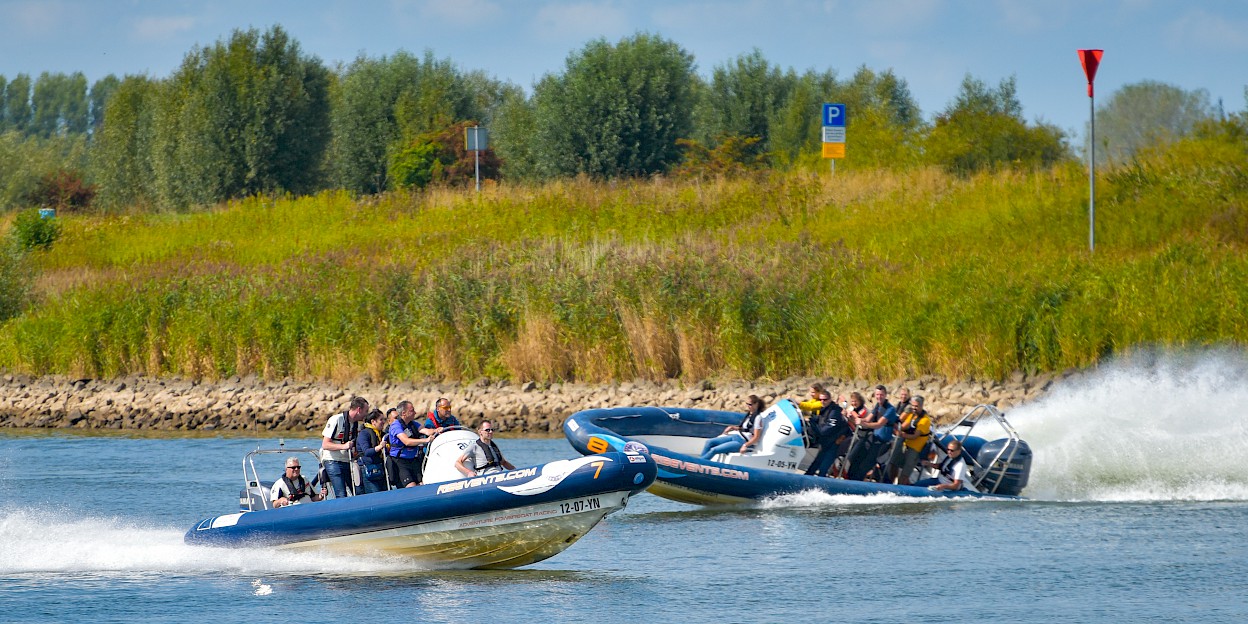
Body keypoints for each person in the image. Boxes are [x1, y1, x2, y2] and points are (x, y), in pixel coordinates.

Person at [844, 385, 898, 481]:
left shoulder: (890, 410)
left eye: (881, 395)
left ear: (885, 395)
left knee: (866, 464)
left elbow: (879, 424)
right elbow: (867, 419)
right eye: (877, 394)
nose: (879, 397)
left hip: (882, 442)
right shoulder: (878, 405)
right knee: (856, 457)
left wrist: (863, 423)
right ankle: (850, 478)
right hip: (873, 437)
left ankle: (858, 481)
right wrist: (853, 418)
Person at [321, 396, 368, 498]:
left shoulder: (355, 424)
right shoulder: (336, 420)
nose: (366, 414)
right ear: (359, 410)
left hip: (347, 461)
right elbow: (325, 444)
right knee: (341, 493)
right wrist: (344, 446)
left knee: (358, 491)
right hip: (332, 460)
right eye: (366, 411)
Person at [700, 395, 766, 460]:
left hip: (742, 441)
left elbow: (756, 437)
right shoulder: (749, 415)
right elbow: (745, 428)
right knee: (709, 442)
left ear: (756, 404)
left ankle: (700, 464)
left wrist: (745, 445)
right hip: (736, 436)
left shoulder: (758, 418)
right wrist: (732, 427)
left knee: (714, 450)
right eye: (747, 404)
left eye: (750, 404)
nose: (748, 406)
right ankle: (699, 461)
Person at [804, 390, 852, 477]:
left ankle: (820, 482)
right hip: (826, 441)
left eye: (825, 400)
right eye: (820, 400)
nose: (822, 402)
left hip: (836, 442)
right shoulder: (821, 409)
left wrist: (813, 424)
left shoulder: (834, 412)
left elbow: (825, 430)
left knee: (823, 468)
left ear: (830, 400)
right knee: (815, 465)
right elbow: (814, 420)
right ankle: (807, 477)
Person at [388, 400, 434, 488]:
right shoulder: (396, 426)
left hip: (413, 459)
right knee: (412, 486)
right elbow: (407, 441)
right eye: (412, 410)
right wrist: (425, 441)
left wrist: (437, 430)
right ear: (404, 413)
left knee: (423, 483)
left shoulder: (413, 424)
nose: (415, 412)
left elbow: (426, 431)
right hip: (400, 461)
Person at [888, 396, 932, 485]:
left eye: (916, 406)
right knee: (893, 464)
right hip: (906, 445)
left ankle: (902, 486)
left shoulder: (925, 420)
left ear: (921, 406)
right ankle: (890, 483)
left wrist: (902, 434)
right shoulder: (912, 415)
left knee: (905, 473)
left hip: (915, 449)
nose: (914, 408)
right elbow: (904, 426)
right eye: (913, 406)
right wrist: (893, 425)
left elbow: (915, 436)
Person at [356, 409, 389, 493]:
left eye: (384, 420)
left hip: (380, 469)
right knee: (375, 494)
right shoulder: (364, 434)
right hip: (368, 469)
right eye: (381, 420)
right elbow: (366, 452)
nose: (383, 422)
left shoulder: (382, 434)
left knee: (385, 493)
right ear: (373, 421)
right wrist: (380, 447)